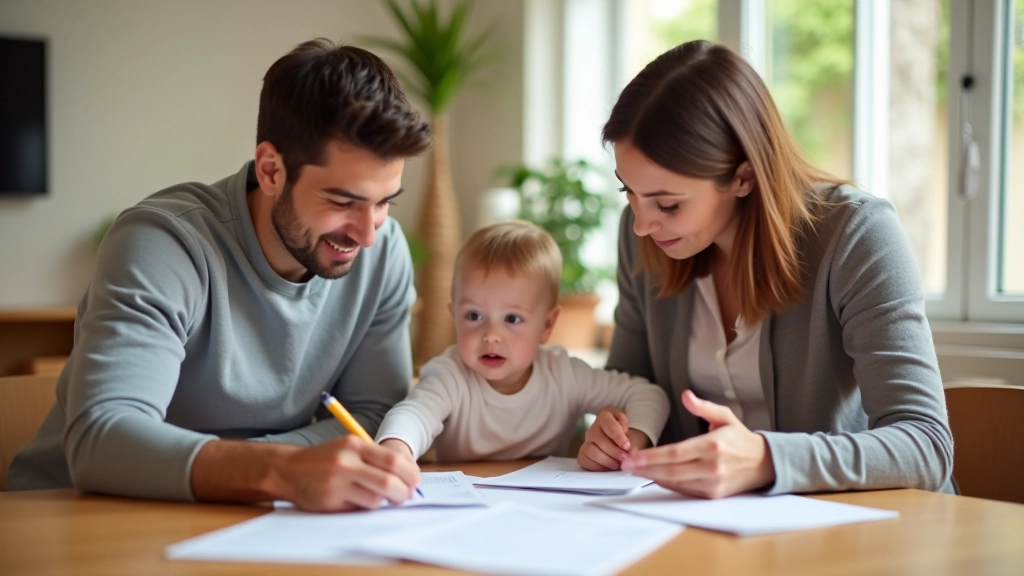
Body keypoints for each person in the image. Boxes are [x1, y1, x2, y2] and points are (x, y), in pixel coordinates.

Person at [7, 39, 432, 512]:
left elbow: (371, 416)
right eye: (341, 201)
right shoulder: (163, 245)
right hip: (74, 515)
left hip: (249, 514)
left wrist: (272, 475)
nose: (368, 235)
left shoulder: (384, 249)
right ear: (272, 170)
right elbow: (102, 439)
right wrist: (281, 471)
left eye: (384, 202)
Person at [590, 40, 954, 498]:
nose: (642, 224)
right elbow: (629, 383)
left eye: (668, 203)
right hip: (710, 530)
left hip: (869, 535)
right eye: (628, 191)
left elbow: (926, 445)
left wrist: (765, 459)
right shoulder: (644, 236)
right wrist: (621, 430)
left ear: (742, 177)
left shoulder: (858, 236)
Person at [375, 221, 670, 467]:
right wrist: (396, 448)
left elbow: (648, 395)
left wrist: (630, 441)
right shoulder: (450, 375)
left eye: (512, 319)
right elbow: (413, 414)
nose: (491, 334)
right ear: (454, 316)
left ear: (547, 325)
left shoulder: (563, 374)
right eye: (474, 315)